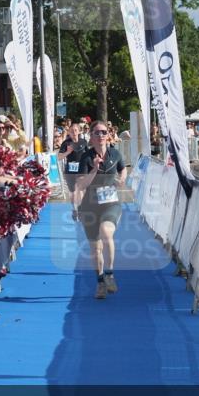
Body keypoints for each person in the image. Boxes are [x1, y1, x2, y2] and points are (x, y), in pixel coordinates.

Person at [73, 120, 127, 299]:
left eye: (104, 132)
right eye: (97, 133)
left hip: (111, 204)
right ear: (91, 136)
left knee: (106, 232)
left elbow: (123, 168)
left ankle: (110, 274)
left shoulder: (115, 153)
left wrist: (122, 179)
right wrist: (94, 169)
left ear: (108, 134)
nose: (101, 136)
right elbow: (80, 184)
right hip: (90, 207)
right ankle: (100, 282)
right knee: (95, 250)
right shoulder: (86, 157)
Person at [59, 122, 87, 212]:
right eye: (72, 131)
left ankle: (81, 208)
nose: (74, 132)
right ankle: (74, 209)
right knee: (73, 193)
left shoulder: (83, 142)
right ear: (69, 133)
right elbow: (59, 157)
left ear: (79, 131)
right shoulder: (66, 143)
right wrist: (68, 152)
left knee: (80, 189)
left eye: (75, 130)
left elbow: (88, 154)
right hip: (70, 170)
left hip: (82, 169)